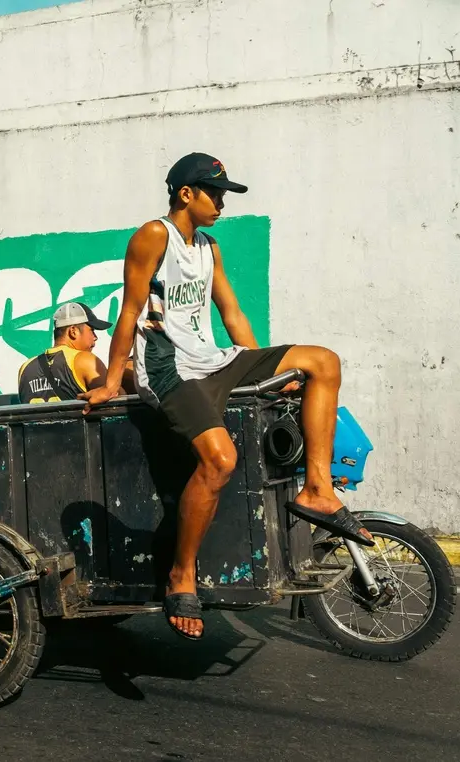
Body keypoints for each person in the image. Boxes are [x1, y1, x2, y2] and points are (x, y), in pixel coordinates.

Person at [79, 152, 374, 642]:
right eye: (213, 193)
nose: (221, 203)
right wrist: (113, 381)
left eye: (224, 194)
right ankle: (182, 574)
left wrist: (267, 373)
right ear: (184, 193)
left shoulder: (209, 247)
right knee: (220, 461)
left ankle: (317, 489)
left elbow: (231, 311)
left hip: (213, 359)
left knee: (323, 361)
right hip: (168, 370)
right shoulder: (154, 236)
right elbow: (129, 312)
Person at [17, 302, 113, 403]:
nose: (95, 337)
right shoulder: (85, 360)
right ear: (73, 331)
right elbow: (120, 398)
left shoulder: (25, 368)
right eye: (92, 330)